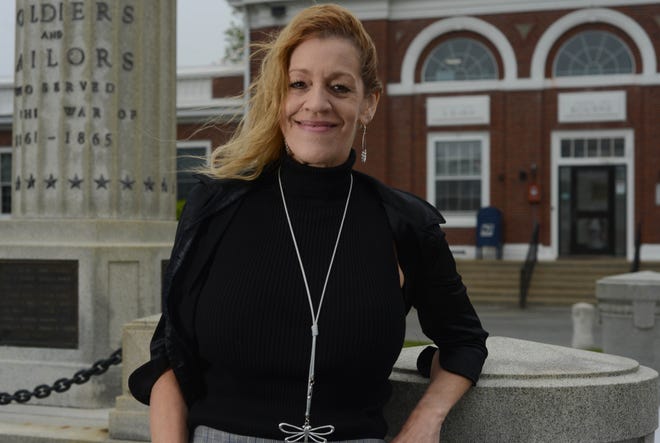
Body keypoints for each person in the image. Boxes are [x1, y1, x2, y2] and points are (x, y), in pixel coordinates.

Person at [129, 4, 488, 442]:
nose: (316, 103)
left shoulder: (405, 224)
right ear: (280, 97)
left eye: (339, 87)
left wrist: (426, 418)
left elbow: (465, 342)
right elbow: (170, 349)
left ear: (368, 103)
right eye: (299, 84)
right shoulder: (218, 205)